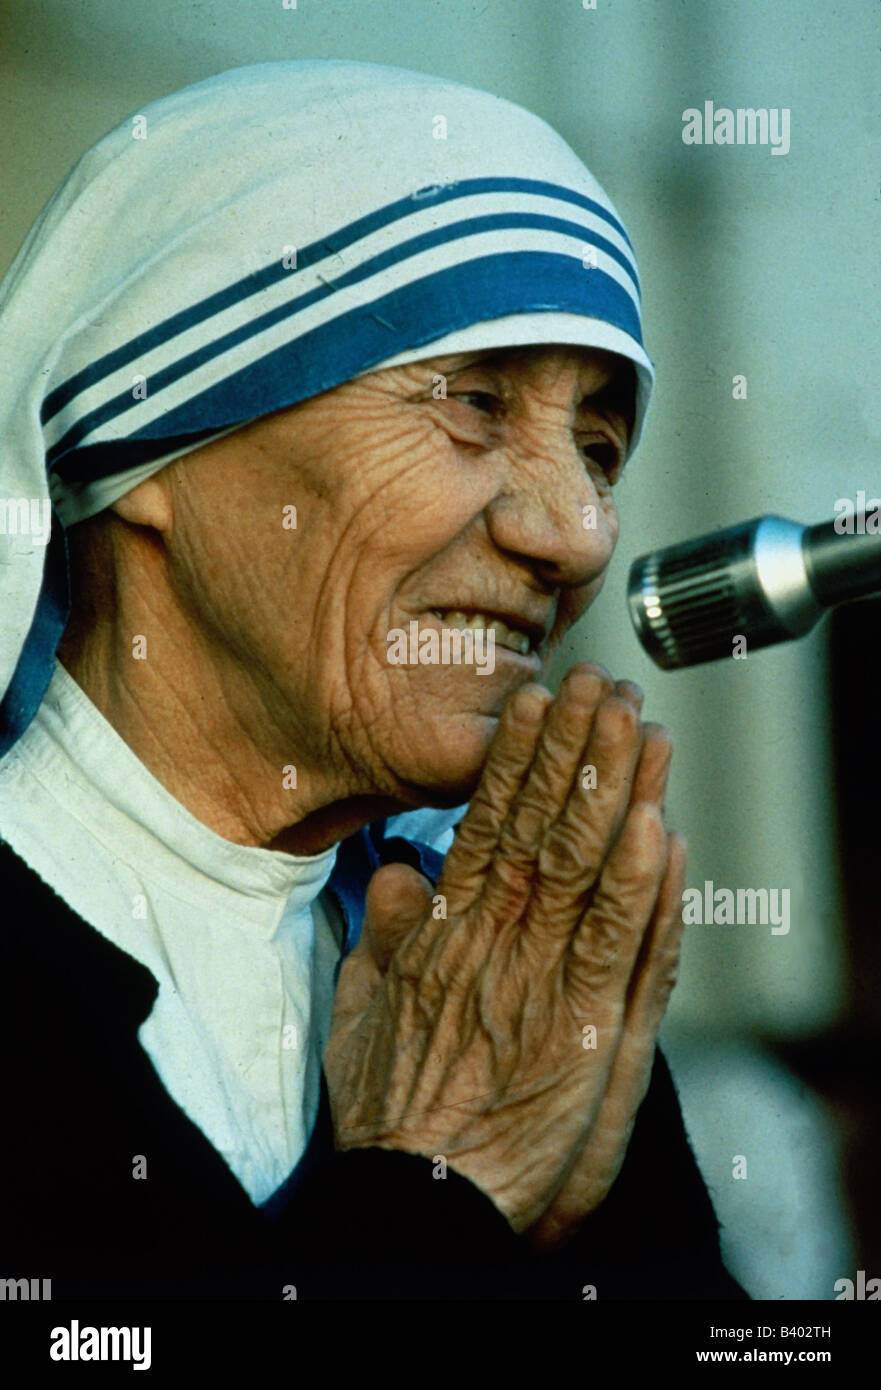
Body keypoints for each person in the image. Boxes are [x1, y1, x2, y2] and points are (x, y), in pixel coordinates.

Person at [0, 59, 746, 1300]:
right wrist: (429, 1194)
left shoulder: (502, 984)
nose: (578, 533)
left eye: (599, 448)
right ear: (153, 449)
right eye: (468, 403)